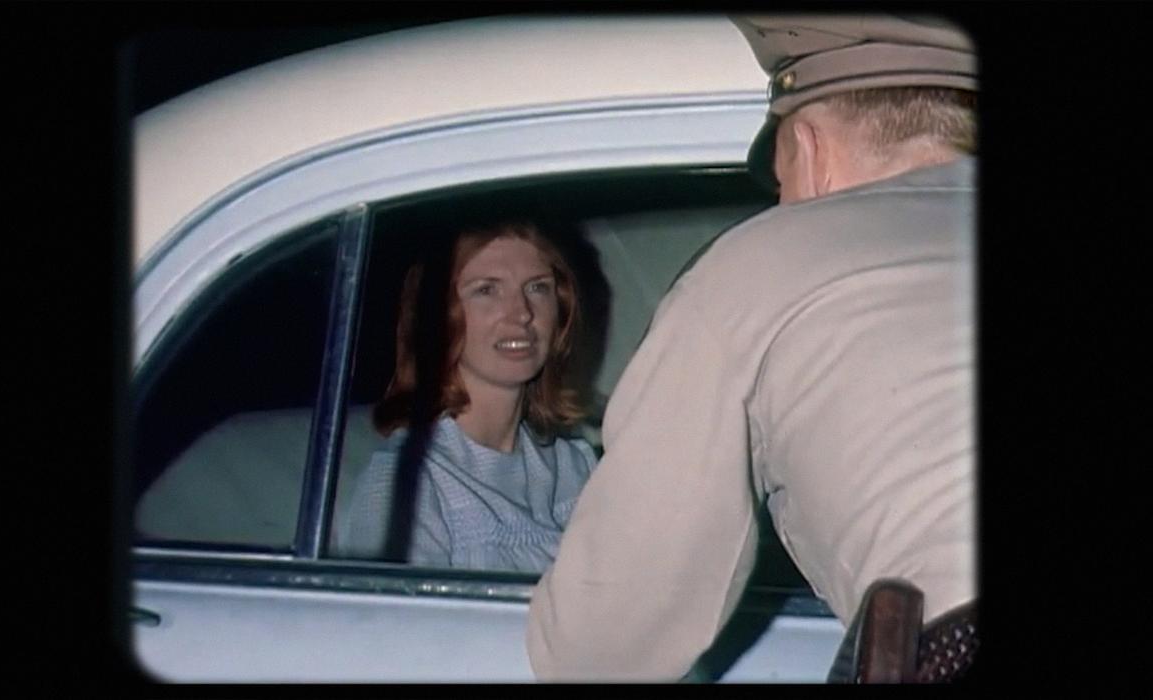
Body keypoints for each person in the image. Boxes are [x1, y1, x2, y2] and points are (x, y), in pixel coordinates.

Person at [526, 14, 978, 681]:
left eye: (779, 181)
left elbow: (603, 651)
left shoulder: (758, 263)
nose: (782, 203)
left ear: (809, 149)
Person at [332, 220, 598, 573]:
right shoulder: (404, 484)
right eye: (487, 290)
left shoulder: (575, 466)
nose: (521, 313)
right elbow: (394, 625)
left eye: (537, 288)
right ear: (439, 316)